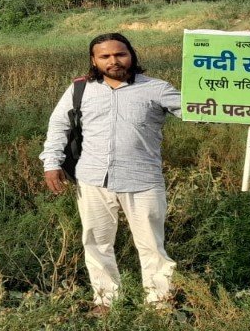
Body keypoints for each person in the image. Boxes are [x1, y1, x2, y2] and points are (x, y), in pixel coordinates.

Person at [40, 32, 182, 314]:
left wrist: (239, 104)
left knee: (152, 245)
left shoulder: (156, 89)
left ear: (131, 55)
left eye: (120, 54)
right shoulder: (79, 89)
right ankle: (106, 300)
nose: (113, 61)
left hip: (142, 179)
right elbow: (59, 126)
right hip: (92, 178)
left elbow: (198, 110)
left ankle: (159, 302)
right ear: (94, 60)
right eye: (105, 56)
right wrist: (51, 163)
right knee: (96, 242)